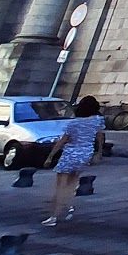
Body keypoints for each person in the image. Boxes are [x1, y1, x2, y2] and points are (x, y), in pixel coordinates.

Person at [41, 96, 105, 227]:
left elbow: (62, 141)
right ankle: (69, 206)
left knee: (60, 186)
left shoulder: (73, 123)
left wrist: (50, 156)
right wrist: (99, 153)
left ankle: (54, 216)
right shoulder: (98, 121)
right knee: (71, 183)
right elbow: (100, 137)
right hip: (85, 153)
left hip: (71, 154)